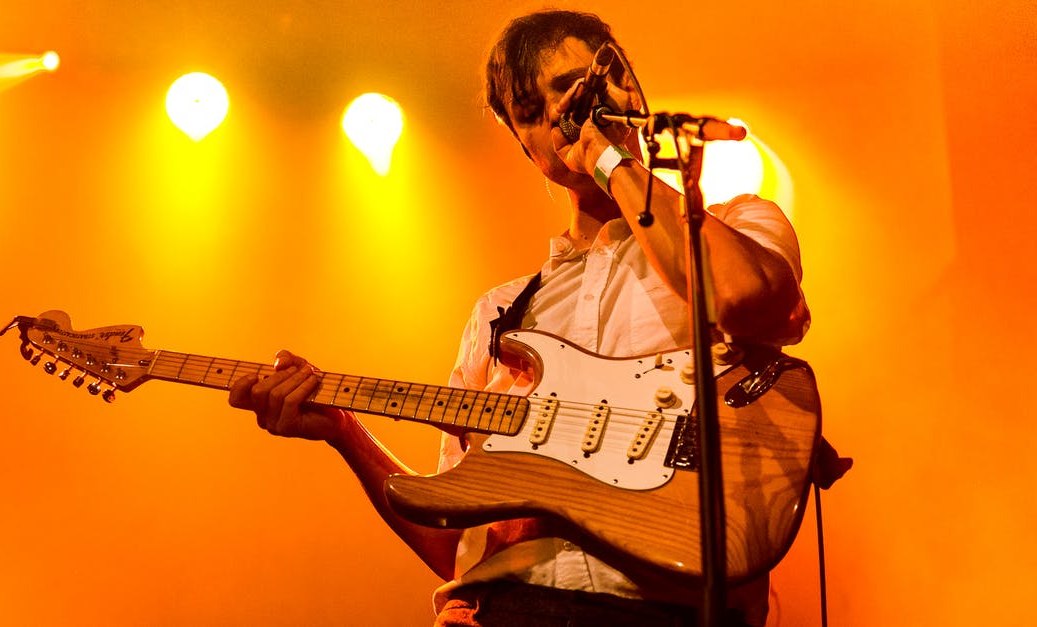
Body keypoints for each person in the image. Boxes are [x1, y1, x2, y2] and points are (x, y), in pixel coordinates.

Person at [228, 9, 809, 627]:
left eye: (582, 84)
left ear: (629, 87)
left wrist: (610, 163)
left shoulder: (738, 225)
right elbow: (459, 547)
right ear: (523, 143)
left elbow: (745, 297)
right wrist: (345, 431)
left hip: (671, 608)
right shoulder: (497, 317)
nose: (568, 112)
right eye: (535, 108)